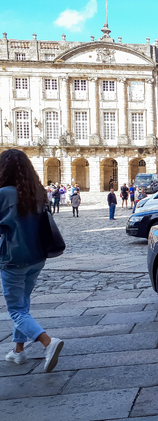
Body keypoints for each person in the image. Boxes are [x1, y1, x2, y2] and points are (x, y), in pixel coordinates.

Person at [0, 149, 64, 372]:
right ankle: (18, 351)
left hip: (13, 259)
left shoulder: (3, 194)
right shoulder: (36, 192)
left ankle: (48, 342)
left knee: (16, 309)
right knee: (23, 304)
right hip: (37, 257)